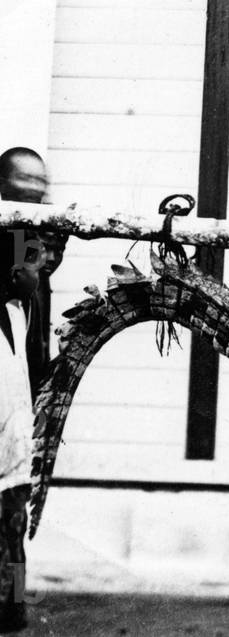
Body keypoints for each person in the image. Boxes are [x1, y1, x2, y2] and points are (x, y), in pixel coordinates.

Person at [0, 147, 64, 631]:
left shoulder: (28, 297)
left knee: (14, 525)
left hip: (14, 426)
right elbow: (23, 274)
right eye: (23, 197)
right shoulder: (17, 250)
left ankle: (14, 608)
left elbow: (32, 277)